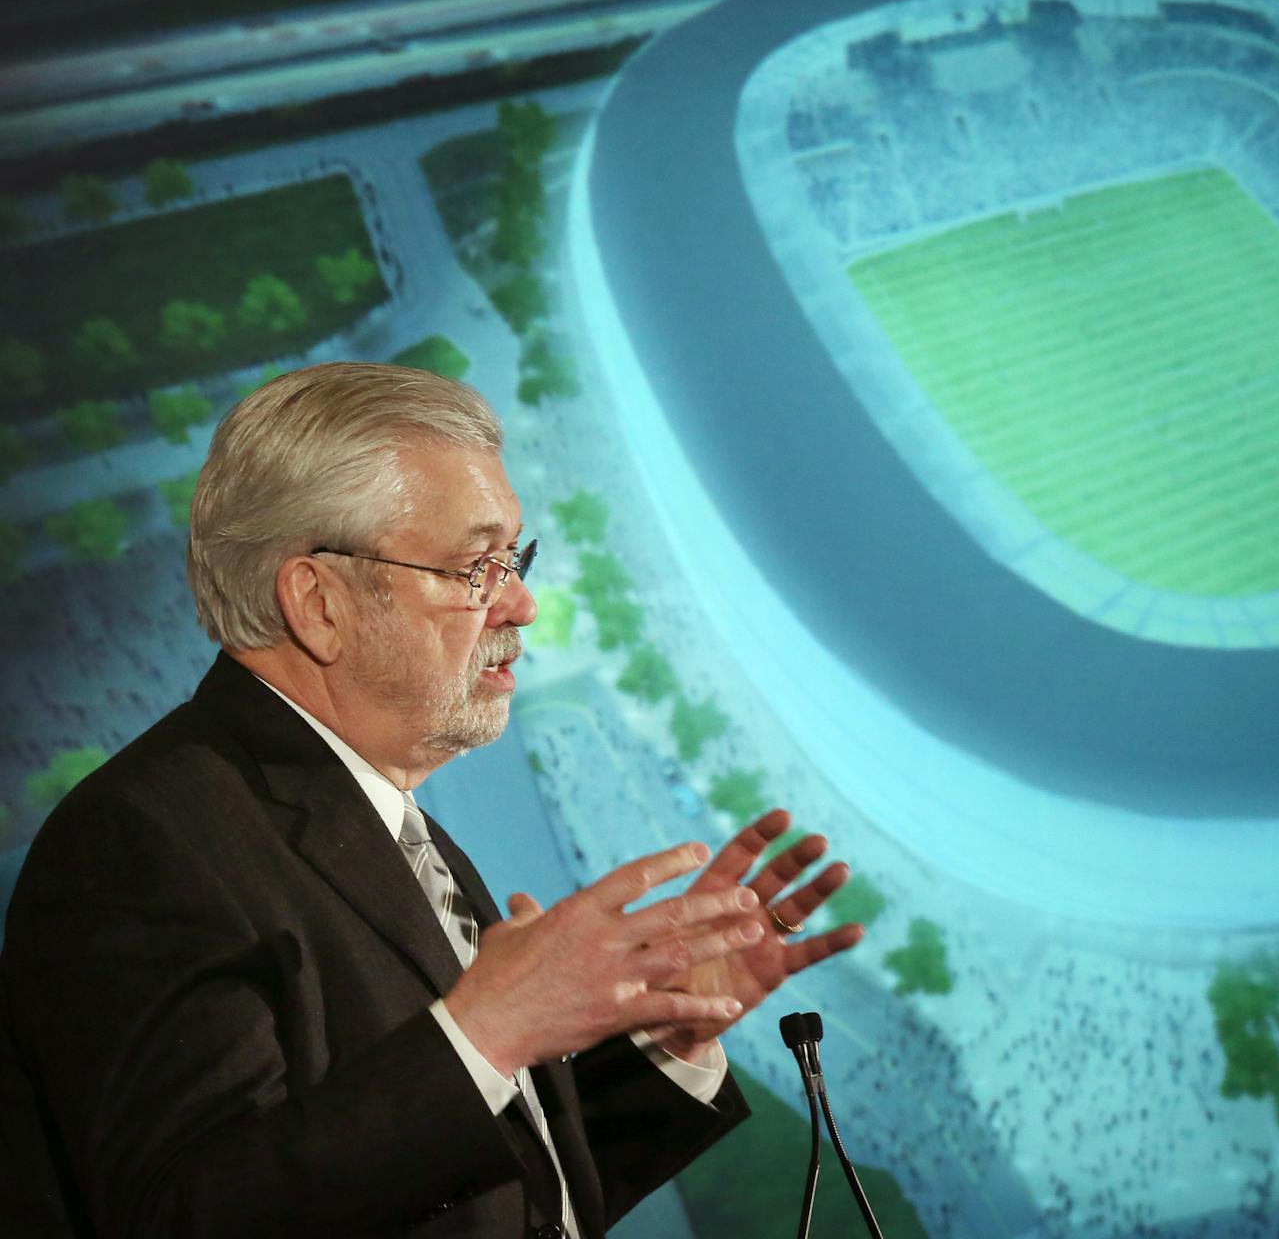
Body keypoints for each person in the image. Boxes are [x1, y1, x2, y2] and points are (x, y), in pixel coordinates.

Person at [0, 363, 866, 1236]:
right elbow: (190, 1216)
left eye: (513, 560)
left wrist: (662, 1044)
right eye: (474, 568)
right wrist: (488, 1028)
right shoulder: (145, 844)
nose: (521, 604)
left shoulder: (390, 823)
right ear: (318, 602)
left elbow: (475, 1192)